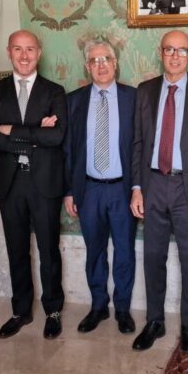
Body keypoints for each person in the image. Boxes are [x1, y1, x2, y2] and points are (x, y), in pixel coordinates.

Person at [130, 30, 188, 353]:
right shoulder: (145, 91)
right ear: (161, 52)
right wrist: (137, 188)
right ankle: (154, 322)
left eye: (181, 50)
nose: (175, 56)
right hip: (153, 184)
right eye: (169, 49)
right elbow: (137, 143)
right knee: (153, 257)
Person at [0, 30, 67, 340]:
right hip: (10, 183)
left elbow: (56, 137)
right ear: (9, 52)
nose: (24, 55)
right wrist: (33, 133)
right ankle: (20, 311)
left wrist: (12, 131)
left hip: (44, 183)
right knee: (16, 249)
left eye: (30, 49)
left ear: (39, 53)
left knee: (48, 250)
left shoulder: (54, 92)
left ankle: (53, 310)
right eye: (18, 49)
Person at [63, 39, 137, 335]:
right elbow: (68, 150)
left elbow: (141, 146)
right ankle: (98, 306)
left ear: (115, 63)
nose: (101, 65)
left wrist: (139, 188)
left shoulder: (133, 98)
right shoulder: (74, 101)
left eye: (106, 58)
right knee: (94, 250)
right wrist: (70, 190)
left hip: (122, 189)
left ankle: (123, 309)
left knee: (124, 251)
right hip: (89, 189)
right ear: (87, 66)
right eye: (94, 60)